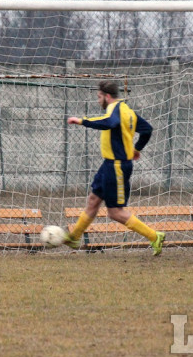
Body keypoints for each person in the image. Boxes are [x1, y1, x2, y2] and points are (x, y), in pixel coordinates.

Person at [64, 80, 165, 255]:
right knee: (93, 201)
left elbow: (110, 122)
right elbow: (147, 130)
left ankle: (154, 236)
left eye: (99, 97)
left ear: (107, 96)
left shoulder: (114, 110)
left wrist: (81, 121)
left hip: (117, 166)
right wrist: (137, 149)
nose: (98, 101)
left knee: (115, 212)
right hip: (108, 165)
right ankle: (74, 237)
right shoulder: (128, 111)